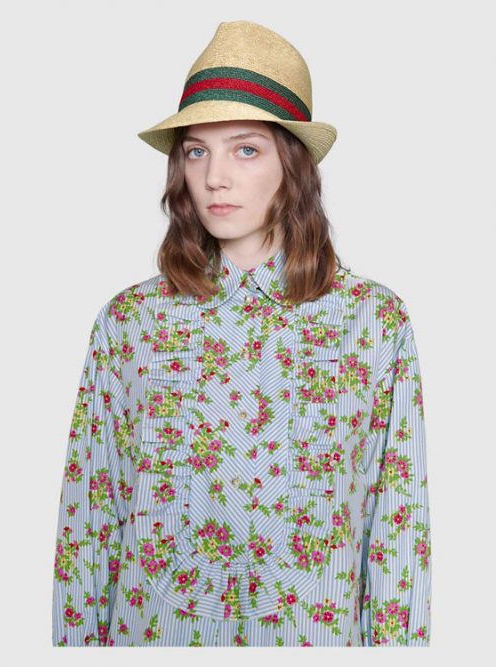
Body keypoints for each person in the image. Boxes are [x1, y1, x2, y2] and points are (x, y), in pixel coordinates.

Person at [51, 20, 432, 647]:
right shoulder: (131, 323)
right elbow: (89, 526)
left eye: (245, 149)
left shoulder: (371, 322)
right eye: (197, 151)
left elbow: (398, 528)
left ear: (292, 163)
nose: (214, 177)